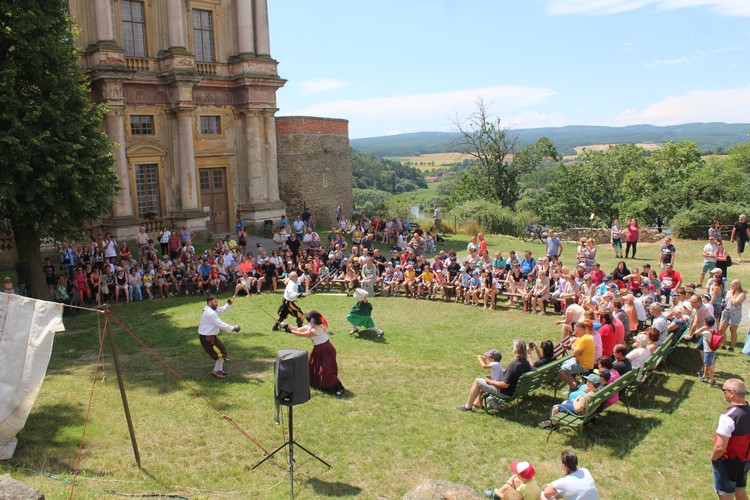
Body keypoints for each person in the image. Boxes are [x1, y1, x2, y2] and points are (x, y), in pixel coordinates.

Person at [456, 340, 531, 412]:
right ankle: (477, 403)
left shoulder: (514, 365)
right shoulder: (526, 363)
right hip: (516, 391)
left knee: (477, 381)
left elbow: (504, 385)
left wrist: (490, 381)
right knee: (484, 383)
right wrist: (504, 371)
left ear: (516, 350)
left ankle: (468, 407)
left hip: (505, 393)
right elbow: (514, 374)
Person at [284, 309, 345, 396]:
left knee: (326, 370)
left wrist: (290, 331)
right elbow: (298, 329)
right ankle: (318, 384)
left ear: (313, 321)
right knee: (312, 365)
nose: (308, 321)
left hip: (326, 350)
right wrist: (287, 326)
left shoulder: (318, 329)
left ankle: (336, 388)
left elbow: (303, 334)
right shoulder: (310, 326)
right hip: (318, 349)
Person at [712, 378, 750, 500]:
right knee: (740, 490)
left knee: (725, 495)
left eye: (724, 390)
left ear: (732, 393)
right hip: (745, 460)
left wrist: (714, 458)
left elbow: (720, 447)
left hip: (728, 463)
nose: (723, 393)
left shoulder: (728, 417)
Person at [198, 295, 241, 379]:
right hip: (207, 339)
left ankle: (219, 369)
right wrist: (233, 328)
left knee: (222, 352)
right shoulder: (209, 313)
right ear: (209, 302)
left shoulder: (210, 309)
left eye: (217, 301)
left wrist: (228, 304)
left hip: (210, 337)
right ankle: (217, 371)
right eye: (215, 302)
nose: (217, 304)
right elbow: (221, 324)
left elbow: (221, 310)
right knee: (221, 353)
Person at [558, 323, 595, 391]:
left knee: (562, 370)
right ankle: (575, 384)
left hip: (584, 365)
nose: (574, 332)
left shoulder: (584, 339)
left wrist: (573, 347)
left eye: (575, 330)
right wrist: (573, 348)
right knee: (563, 363)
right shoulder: (582, 337)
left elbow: (574, 353)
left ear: (580, 331)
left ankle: (574, 386)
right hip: (580, 361)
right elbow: (575, 349)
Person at [719, 280, 746, 351]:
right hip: (726, 311)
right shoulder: (729, 292)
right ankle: (723, 345)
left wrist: (731, 294)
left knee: (732, 329)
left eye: (733, 285)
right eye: (731, 285)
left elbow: (735, 302)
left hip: (735, 313)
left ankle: (731, 347)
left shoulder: (741, 294)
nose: (732, 287)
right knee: (721, 329)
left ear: (737, 285)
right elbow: (726, 301)